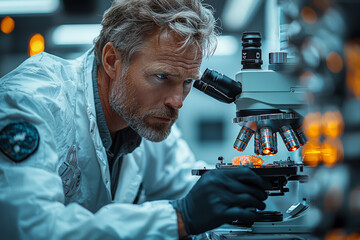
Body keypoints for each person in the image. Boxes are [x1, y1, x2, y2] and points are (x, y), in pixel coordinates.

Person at [0, 0, 268, 239]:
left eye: (187, 82)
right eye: (162, 77)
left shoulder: (147, 120)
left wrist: (234, 192)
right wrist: (177, 218)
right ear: (112, 60)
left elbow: (187, 186)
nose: (177, 101)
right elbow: (32, 227)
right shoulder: (29, 103)